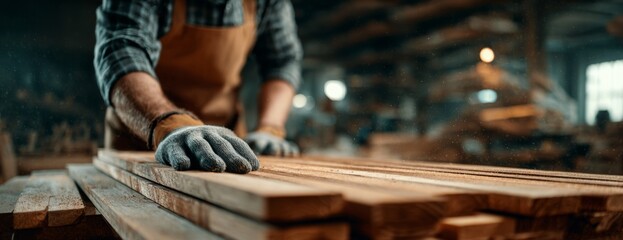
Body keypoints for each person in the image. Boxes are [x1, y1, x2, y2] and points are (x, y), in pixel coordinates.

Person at [94, 0, 302, 173]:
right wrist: (170, 125)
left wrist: (270, 128)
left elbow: (282, 62)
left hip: (227, 143)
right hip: (145, 136)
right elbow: (122, 51)